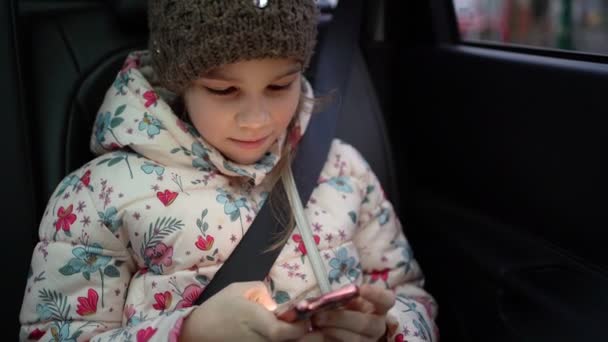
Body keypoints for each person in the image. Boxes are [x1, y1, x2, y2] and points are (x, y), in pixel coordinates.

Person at [19, 1, 438, 341]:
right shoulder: (97, 196)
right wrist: (188, 333)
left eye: (280, 86)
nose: (256, 119)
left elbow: (410, 297)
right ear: (179, 80)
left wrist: (386, 330)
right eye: (224, 90)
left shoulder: (342, 170)